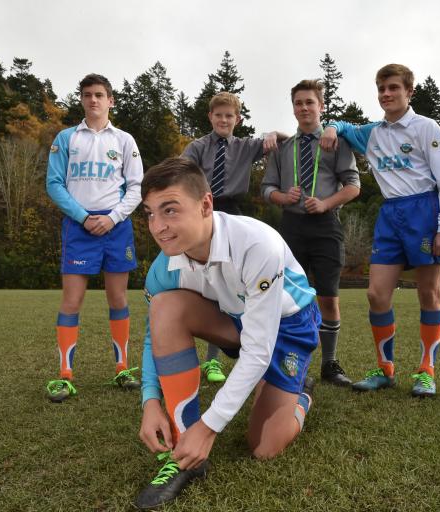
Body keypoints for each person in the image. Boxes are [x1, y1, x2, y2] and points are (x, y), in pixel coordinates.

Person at [134, 157, 320, 509]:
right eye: (150, 214)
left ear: (206, 205)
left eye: (170, 210)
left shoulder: (256, 244)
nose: (158, 227)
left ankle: (302, 395)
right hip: (234, 320)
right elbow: (154, 334)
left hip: (287, 326)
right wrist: (150, 400)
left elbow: (259, 350)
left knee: (263, 447)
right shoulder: (164, 265)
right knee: (165, 306)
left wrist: (210, 427)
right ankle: (185, 453)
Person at [320, 64, 440, 397]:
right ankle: (385, 369)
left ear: (408, 92)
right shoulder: (372, 133)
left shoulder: (427, 128)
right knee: (376, 294)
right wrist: (329, 127)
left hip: (425, 211)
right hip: (390, 214)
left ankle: (426, 370)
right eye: (381, 89)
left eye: (393, 88)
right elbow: (342, 125)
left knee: (429, 292)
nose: (386, 94)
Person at [45, 73, 143, 402]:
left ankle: (122, 369)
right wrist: (84, 217)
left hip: (116, 229)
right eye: (87, 94)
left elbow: (137, 188)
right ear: (82, 99)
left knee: (118, 299)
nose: (93, 100)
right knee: (72, 301)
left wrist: (112, 217)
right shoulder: (66, 137)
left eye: (99, 94)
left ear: (110, 100)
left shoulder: (125, 140)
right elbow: (54, 184)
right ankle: (65, 375)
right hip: (79, 228)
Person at [261, 79, 360, 386]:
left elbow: (354, 186)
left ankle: (330, 365)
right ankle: (295, 366)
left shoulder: (336, 144)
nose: (304, 108)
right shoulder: (283, 148)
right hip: (291, 227)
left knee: (328, 297)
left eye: (310, 102)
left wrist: (327, 203)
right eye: (298, 103)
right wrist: (281, 198)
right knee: (290, 299)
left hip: (326, 226)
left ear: (321, 107)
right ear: (293, 108)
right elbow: (266, 188)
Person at [181, 91, 281, 383]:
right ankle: (203, 359)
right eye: (218, 115)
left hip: (234, 213)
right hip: (203, 210)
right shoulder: (197, 147)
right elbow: (182, 174)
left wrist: (275, 132)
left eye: (229, 116)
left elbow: (284, 141)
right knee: (208, 281)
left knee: (233, 281)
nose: (224, 120)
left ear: (238, 119)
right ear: (210, 117)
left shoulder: (245, 147)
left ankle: (237, 352)